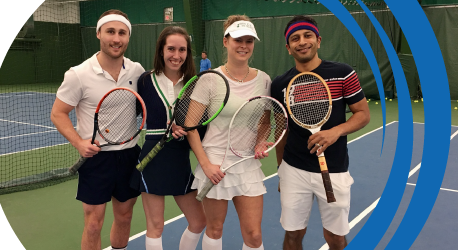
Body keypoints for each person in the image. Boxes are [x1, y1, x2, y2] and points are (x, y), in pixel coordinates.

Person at [270, 15, 370, 250]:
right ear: (288, 48)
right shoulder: (279, 84)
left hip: (334, 169)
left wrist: (335, 131)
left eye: (307, 36)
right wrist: (281, 170)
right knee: (293, 234)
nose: (302, 42)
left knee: (335, 238)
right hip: (294, 169)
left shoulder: (343, 73)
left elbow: (363, 114)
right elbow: (281, 131)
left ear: (318, 40)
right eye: (295, 38)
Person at [50, 9, 145, 250]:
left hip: (129, 155)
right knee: (93, 224)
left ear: (128, 37)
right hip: (96, 159)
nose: (116, 38)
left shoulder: (136, 71)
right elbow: (58, 113)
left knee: (124, 217)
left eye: (122, 33)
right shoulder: (78, 74)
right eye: (110, 32)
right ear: (98, 33)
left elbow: (148, 107)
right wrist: (79, 143)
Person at [187, 15, 271, 250]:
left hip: (247, 164)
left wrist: (261, 141)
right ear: (226, 42)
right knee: (215, 229)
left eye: (249, 41)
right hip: (215, 164)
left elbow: (265, 120)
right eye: (238, 40)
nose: (243, 46)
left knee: (254, 235)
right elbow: (191, 127)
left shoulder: (264, 80)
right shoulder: (210, 79)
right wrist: (206, 165)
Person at [129, 26, 207, 250]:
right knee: (156, 225)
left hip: (181, 158)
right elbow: (133, 113)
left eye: (182, 49)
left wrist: (185, 128)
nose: (176, 55)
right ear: (161, 51)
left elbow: (201, 127)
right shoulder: (144, 81)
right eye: (171, 48)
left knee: (199, 221)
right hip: (153, 157)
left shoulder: (195, 84)